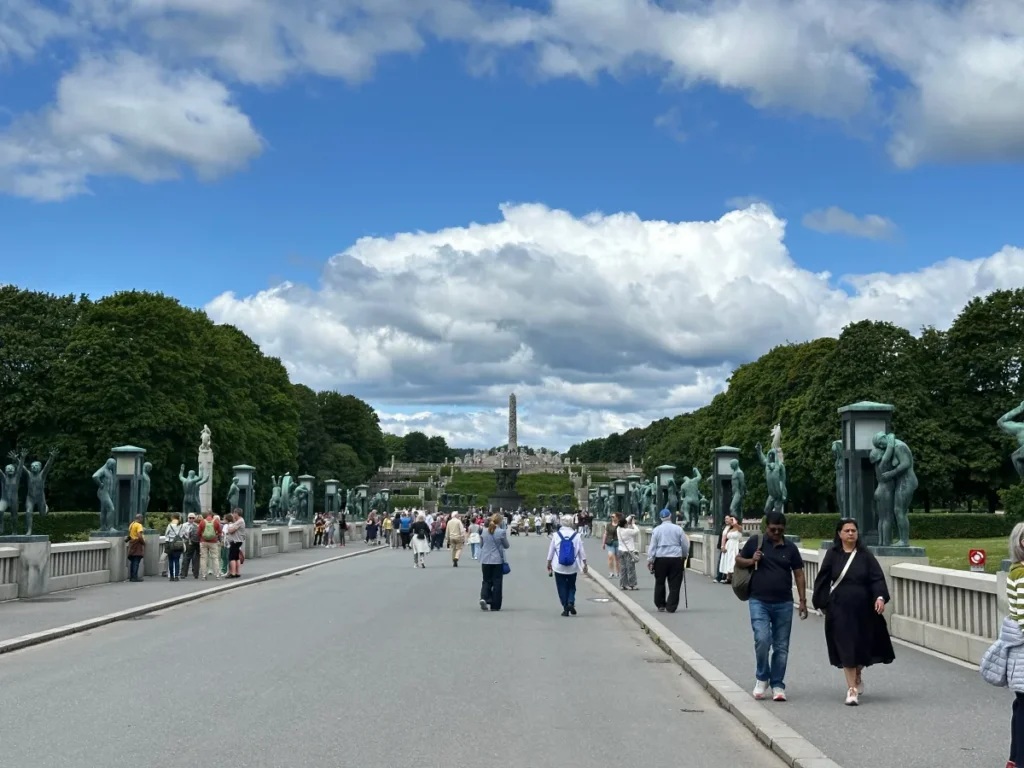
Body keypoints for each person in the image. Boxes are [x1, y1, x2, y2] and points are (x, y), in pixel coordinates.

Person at [812, 518, 894, 706]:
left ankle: (857, 673)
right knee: (846, 646)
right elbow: (823, 579)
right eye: (847, 530)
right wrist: (821, 602)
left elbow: (877, 579)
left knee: (862, 646)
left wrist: (880, 598)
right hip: (840, 609)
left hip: (864, 610)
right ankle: (851, 689)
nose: (851, 533)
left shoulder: (865, 556)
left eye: (854, 531)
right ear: (839, 534)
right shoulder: (832, 555)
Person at [735, 510, 808, 702]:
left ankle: (777, 684)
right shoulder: (756, 542)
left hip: (784, 602)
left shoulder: (790, 548)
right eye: (773, 529)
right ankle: (762, 677)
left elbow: (799, 574)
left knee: (781, 646)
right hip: (759, 600)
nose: (776, 533)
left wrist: (802, 601)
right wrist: (752, 560)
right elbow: (738, 559)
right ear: (766, 527)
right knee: (762, 640)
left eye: (780, 530)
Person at [646, 509, 688, 612]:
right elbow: (684, 544)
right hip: (675, 557)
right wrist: (684, 555)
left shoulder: (656, 530)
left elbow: (653, 546)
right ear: (670, 516)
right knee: (675, 583)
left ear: (661, 518)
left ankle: (660, 604)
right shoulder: (678, 529)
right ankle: (671, 605)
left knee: (660, 582)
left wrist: (650, 559)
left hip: (661, 558)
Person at [547, 514, 588, 616]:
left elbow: (551, 550)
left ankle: (565, 606)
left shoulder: (556, 535)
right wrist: (585, 564)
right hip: (572, 566)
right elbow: (581, 551)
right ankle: (571, 601)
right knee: (571, 586)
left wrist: (549, 562)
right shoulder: (576, 536)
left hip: (558, 565)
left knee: (561, 587)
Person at [479, 513, 509, 611]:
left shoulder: (484, 531)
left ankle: (484, 597)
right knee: (497, 582)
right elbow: (506, 545)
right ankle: (495, 604)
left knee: (486, 580)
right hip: (497, 560)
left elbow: (481, 545)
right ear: (500, 521)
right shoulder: (501, 532)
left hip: (485, 559)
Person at [616, 514, 639, 590]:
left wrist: (629, 517)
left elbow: (622, 522)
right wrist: (633, 524)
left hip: (621, 550)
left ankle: (623, 584)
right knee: (631, 568)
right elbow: (637, 531)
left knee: (623, 568)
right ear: (625, 524)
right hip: (629, 552)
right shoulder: (628, 531)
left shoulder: (618, 529)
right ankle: (632, 584)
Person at [198, 510, 222, 580]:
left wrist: (202, 535)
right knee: (215, 558)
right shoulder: (216, 522)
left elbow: (198, 532)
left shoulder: (202, 522)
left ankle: (204, 575)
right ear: (212, 515)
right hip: (213, 542)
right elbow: (220, 532)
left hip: (203, 541)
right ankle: (217, 575)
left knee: (203, 558)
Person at [719, 516, 743, 584]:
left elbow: (737, 527)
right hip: (729, 545)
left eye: (732, 520)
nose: (731, 522)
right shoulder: (729, 529)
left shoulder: (739, 528)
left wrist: (734, 521)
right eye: (731, 520)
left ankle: (734, 577)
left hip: (735, 545)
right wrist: (723, 546)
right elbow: (724, 537)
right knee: (728, 560)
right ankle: (728, 577)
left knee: (733, 560)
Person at [164, 514, 185, 582]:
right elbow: (183, 534)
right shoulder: (181, 525)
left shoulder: (170, 525)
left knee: (170, 560)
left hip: (170, 543)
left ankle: (171, 576)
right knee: (177, 560)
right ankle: (176, 576)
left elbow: (166, 534)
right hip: (178, 542)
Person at [226, 508, 246, 578]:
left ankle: (233, 573)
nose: (233, 515)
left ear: (237, 513)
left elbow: (231, 530)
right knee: (236, 557)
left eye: (234, 513)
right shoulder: (240, 521)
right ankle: (237, 572)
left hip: (235, 541)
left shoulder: (239, 521)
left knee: (232, 557)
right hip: (238, 541)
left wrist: (229, 528)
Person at [181, 512, 201, 579]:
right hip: (196, 543)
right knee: (196, 558)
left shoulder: (187, 525)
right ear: (188, 518)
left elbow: (183, 534)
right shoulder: (197, 526)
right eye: (190, 518)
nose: (191, 519)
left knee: (187, 557)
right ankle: (196, 574)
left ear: (195, 518)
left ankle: (183, 573)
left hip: (189, 542)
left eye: (193, 518)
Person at [127, 514, 146, 582]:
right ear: (140, 518)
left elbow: (129, 534)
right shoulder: (139, 525)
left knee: (133, 561)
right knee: (136, 561)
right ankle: (135, 577)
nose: (142, 519)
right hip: (137, 543)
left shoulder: (132, 524)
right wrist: (143, 543)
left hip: (132, 543)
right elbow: (139, 535)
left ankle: (132, 576)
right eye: (142, 518)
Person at [602, 512, 620, 579]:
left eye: (613, 516)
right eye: (611, 516)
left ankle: (617, 572)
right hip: (610, 543)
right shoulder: (609, 525)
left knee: (617, 559)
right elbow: (605, 534)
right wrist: (603, 543)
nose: (612, 518)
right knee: (610, 557)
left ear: (617, 517)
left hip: (618, 543)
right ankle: (611, 572)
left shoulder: (620, 525)